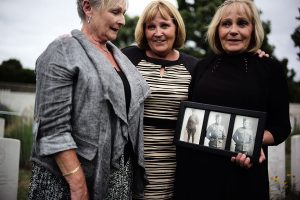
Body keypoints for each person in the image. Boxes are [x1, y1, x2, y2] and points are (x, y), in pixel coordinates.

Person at [27, 0, 150, 199]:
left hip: (118, 178)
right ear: (87, 7)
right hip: (70, 182)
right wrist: (78, 186)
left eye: (124, 13)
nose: (123, 20)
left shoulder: (119, 56)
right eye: (115, 12)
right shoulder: (62, 50)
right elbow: (53, 129)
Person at [175, 0, 291, 199]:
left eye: (242, 23)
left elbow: (281, 128)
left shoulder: (270, 69)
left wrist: (252, 144)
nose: (233, 30)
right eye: (226, 24)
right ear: (217, 29)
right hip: (196, 175)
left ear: (253, 28)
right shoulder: (202, 66)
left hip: (242, 176)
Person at [121, 0, 199, 199]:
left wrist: (254, 55)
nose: (158, 33)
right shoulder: (128, 57)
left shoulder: (194, 67)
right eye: (151, 26)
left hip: (175, 158)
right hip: (132, 156)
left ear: (176, 28)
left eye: (164, 25)